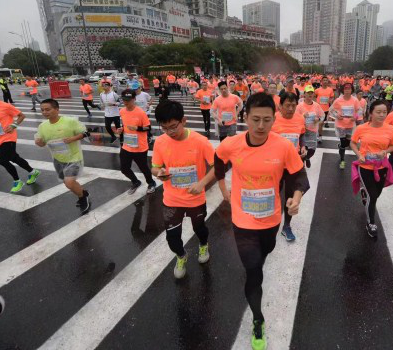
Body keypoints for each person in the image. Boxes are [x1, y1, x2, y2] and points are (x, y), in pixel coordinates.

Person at [215, 92, 309, 350]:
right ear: (245, 117)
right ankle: (258, 319)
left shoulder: (282, 146)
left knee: (264, 254)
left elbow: (299, 175)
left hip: (270, 219)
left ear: (273, 119)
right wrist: (223, 188)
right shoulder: (232, 143)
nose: (260, 126)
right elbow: (218, 160)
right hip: (243, 220)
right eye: (255, 119)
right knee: (254, 270)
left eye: (267, 120)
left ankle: (256, 268)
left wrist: (296, 198)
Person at [151, 100, 215, 279]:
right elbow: (154, 166)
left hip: (195, 198)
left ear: (183, 121)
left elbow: (218, 165)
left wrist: (202, 183)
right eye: (164, 128)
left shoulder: (200, 141)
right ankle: (181, 256)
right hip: (171, 199)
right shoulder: (160, 142)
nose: (169, 132)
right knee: (172, 238)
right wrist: (159, 172)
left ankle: (203, 245)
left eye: (173, 127)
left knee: (199, 228)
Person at [350, 100, 393, 238]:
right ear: (370, 113)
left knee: (376, 194)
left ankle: (364, 193)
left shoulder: (390, 129)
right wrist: (359, 154)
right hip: (365, 167)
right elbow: (353, 143)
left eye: (384, 112)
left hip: (382, 167)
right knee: (373, 196)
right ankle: (370, 223)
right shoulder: (361, 128)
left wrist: (385, 151)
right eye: (378, 112)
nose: (382, 115)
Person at [35, 99, 91, 214]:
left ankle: (83, 198)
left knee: (69, 182)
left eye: (47, 109)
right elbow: (42, 143)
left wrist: (73, 138)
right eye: (42, 110)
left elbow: (86, 133)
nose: (44, 112)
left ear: (57, 109)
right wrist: (39, 143)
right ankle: (83, 192)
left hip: (74, 157)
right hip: (58, 159)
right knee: (67, 183)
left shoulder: (70, 121)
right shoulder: (42, 126)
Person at [271, 92, 308, 241]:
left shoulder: (300, 118)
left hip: (293, 164)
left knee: (291, 196)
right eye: (288, 105)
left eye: (294, 105)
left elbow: (302, 135)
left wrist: (303, 147)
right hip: (275, 166)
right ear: (280, 106)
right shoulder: (272, 119)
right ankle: (269, 223)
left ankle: (287, 226)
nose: (291, 108)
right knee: (273, 194)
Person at [115, 89, 157, 195]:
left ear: (134, 99)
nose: (126, 102)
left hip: (140, 146)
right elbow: (124, 125)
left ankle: (151, 183)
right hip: (127, 145)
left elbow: (148, 128)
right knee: (124, 168)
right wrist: (121, 130)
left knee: (143, 168)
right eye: (124, 100)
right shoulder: (122, 111)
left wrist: (137, 128)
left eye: (128, 100)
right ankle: (135, 181)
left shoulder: (140, 112)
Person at [329, 83, 360, 169]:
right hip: (340, 125)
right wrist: (336, 116)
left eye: (349, 89)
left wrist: (355, 117)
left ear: (352, 90)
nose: (347, 90)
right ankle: (342, 160)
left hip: (350, 126)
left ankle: (341, 147)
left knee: (347, 143)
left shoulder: (355, 100)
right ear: (343, 90)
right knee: (343, 143)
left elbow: (359, 111)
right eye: (345, 89)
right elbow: (331, 110)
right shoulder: (338, 100)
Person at [296, 85, 324, 168]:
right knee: (302, 149)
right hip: (303, 131)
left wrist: (318, 119)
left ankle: (307, 158)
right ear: (304, 94)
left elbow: (322, 116)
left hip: (313, 130)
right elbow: (295, 118)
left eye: (311, 93)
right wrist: (302, 116)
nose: (310, 95)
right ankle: (302, 163)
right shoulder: (299, 106)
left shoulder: (316, 105)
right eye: (308, 93)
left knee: (312, 150)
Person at [314, 77, 335, 142]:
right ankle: (319, 136)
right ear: (321, 82)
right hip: (318, 110)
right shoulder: (317, 90)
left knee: (321, 124)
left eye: (326, 80)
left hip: (326, 110)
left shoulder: (330, 90)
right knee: (320, 123)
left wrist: (330, 101)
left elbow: (332, 97)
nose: (325, 81)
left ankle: (319, 134)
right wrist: (315, 104)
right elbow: (313, 97)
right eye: (324, 80)